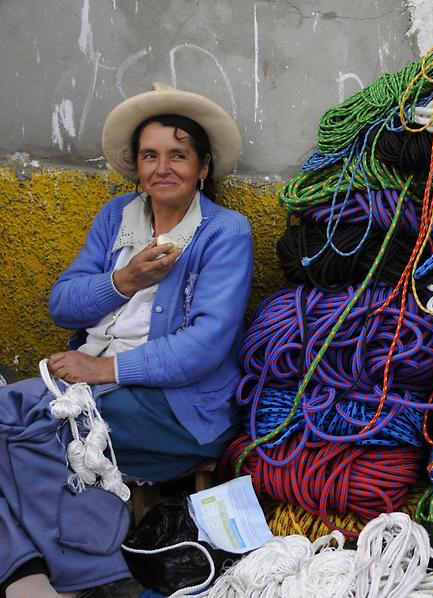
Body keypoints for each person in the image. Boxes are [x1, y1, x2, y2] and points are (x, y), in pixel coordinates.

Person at [0, 83, 253, 597]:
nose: (163, 167)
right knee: (11, 414)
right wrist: (123, 281)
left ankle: (90, 575)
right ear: (136, 165)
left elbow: (205, 345)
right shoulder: (117, 217)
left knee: (33, 429)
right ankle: (29, 570)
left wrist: (105, 370)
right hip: (89, 384)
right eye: (150, 155)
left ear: (203, 167)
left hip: (179, 408)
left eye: (179, 155)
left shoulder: (226, 233)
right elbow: (61, 303)